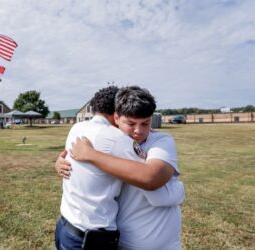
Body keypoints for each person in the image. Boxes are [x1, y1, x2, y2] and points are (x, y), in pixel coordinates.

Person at [56, 86, 184, 249]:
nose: (138, 131)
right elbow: (152, 182)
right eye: (131, 123)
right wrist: (63, 162)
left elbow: (151, 180)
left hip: (156, 241)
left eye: (145, 123)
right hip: (120, 239)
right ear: (115, 118)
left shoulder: (160, 140)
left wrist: (91, 155)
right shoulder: (116, 140)